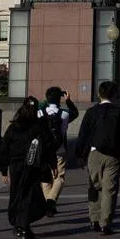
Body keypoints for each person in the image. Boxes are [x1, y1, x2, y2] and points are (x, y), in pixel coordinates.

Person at [74, 81, 120, 235]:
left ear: (99, 94)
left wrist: (80, 155)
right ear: (115, 95)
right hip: (114, 155)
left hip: (94, 154)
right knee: (110, 189)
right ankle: (105, 223)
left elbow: (83, 134)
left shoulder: (92, 112)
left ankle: (94, 219)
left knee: (94, 186)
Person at [0, 97, 55, 239]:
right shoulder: (39, 126)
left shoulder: (14, 126)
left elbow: (4, 148)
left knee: (17, 194)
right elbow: (48, 146)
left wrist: (4, 170)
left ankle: (18, 224)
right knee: (30, 195)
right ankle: (24, 225)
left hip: (16, 166)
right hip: (33, 165)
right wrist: (52, 164)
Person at [38, 87, 78, 216]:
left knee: (45, 177)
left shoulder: (40, 113)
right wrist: (69, 101)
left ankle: (48, 203)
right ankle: (51, 201)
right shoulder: (64, 114)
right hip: (59, 149)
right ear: (60, 98)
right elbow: (75, 113)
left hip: (43, 149)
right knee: (59, 177)